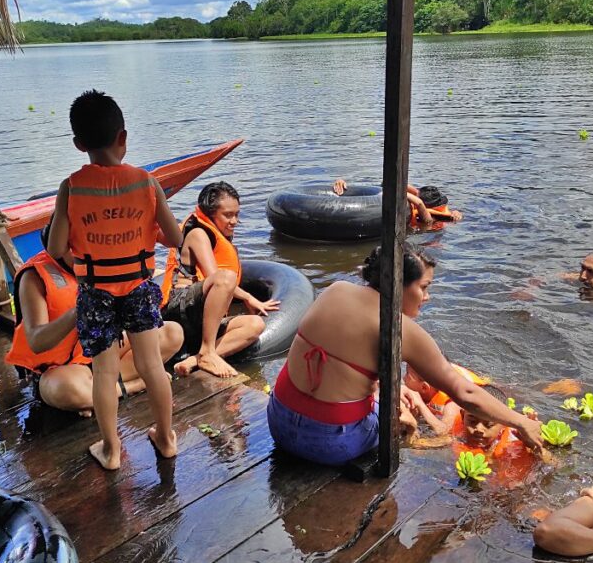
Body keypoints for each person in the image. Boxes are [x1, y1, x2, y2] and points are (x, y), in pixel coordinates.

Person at [266, 242, 544, 467]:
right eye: (423, 287)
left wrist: (395, 386)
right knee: (407, 420)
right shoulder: (401, 329)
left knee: (392, 393)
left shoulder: (336, 290)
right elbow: (466, 394)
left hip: (278, 420)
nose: (427, 297)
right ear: (399, 284)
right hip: (328, 445)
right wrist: (519, 421)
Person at [46, 89, 182, 470]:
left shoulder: (71, 187)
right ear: (123, 137)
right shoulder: (146, 182)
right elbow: (174, 238)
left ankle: (111, 450)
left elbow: (57, 246)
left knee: (103, 372)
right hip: (139, 287)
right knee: (153, 364)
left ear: (78, 144)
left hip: (95, 293)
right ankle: (167, 438)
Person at [6, 221, 184, 416]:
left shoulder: (103, 260)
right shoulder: (34, 277)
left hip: (105, 354)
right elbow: (36, 341)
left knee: (172, 333)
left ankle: (98, 394)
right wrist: (79, 310)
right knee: (67, 389)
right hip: (65, 370)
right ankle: (132, 386)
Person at [160, 181, 277, 379]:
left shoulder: (217, 233)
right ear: (211, 213)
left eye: (237, 214)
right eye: (228, 215)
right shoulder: (198, 233)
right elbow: (215, 276)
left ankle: (195, 359)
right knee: (225, 278)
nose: (234, 221)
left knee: (255, 325)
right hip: (178, 309)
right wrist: (248, 297)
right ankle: (207, 352)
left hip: (197, 315)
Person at [332, 178, 464, 229]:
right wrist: (342, 182)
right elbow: (392, 181)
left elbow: (420, 206)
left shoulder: (431, 218)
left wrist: (457, 214)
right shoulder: (421, 197)